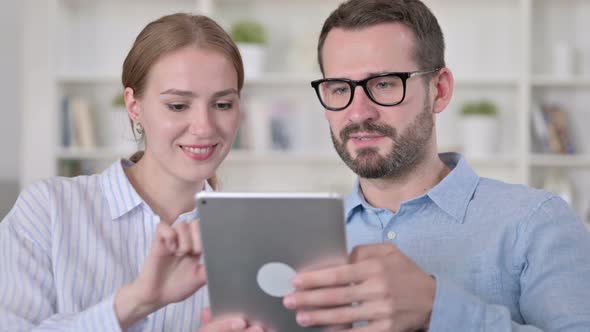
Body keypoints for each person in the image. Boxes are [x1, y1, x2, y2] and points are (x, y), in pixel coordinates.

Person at [277, 0, 590, 331]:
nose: (358, 113)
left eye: (384, 84)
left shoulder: (536, 223)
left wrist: (435, 308)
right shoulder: (298, 244)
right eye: (340, 88)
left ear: (439, 91)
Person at [0, 13, 261, 332]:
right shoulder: (49, 210)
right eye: (178, 106)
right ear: (134, 106)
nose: (204, 127)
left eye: (222, 104)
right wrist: (136, 301)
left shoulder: (253, 239)